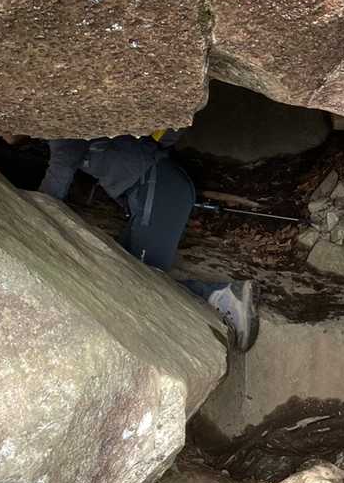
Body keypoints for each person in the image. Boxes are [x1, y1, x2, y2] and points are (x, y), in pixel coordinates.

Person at [39, 133, 259, 349]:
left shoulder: (62, 132)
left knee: (140, 282)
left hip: (158, 188)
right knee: (119, 272)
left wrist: (32, 221)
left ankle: (222, 296)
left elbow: (56, 182)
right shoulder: (80, 130)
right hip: (157, 187)